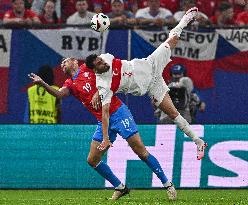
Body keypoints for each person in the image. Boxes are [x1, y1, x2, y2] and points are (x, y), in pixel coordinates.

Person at [28, 58, 177, 201]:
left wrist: (98, 92)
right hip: (103, 121)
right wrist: (42, 83)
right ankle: (120, 187)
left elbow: (111, 73)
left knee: (141, 152)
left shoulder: (88, 68)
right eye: (61, 63)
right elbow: (59, 94)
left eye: (65, 61)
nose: (62, 64)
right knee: (92, 159)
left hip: (118, 113)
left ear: (75, 62)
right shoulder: (70, 83)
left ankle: (167, 185)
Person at [85, 7, 207, 160]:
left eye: (101, 59)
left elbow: (98, 57)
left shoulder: (106, 57)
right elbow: (104, 114)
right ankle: (199, 141)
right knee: (173, 114)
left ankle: (186, 19)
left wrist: (96, 91)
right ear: (96, 70)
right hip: (151, 86)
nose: (103, 62)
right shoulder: (104, 85)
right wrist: (105, 137)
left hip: (150, 64)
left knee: (172, 39)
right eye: (99, 63)